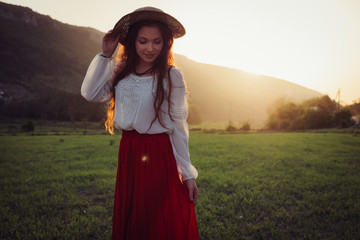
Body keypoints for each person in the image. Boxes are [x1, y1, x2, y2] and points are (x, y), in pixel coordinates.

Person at [81, 7, 200, 240]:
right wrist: (106, 54)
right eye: (143, 41)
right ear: (132, 42)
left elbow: (178, 126)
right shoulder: (120, 71)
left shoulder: (171, 76)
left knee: (154, 219)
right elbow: (90, 93)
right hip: (129, 151)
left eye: (157, 42)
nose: (150, 48)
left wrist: (187, 174)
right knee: (132, 217)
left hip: (159, 154)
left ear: (166, 44)